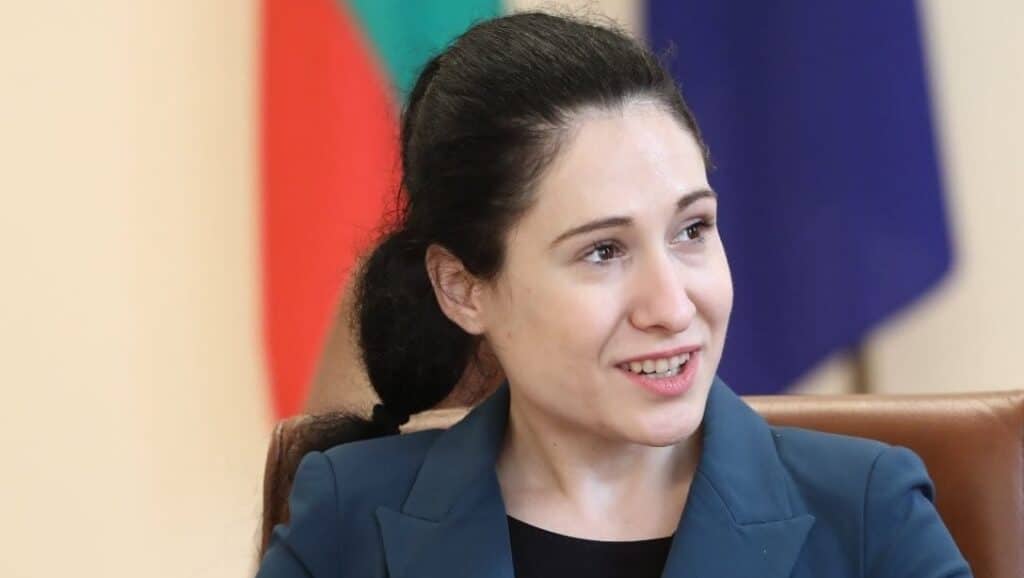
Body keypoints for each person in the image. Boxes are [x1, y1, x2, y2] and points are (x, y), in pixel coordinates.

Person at [256, 12, 970, 578]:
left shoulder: (869, 514)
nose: (673, 306)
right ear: (463, 288)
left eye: (692, 230)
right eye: (603, 251)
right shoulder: (348, 517)